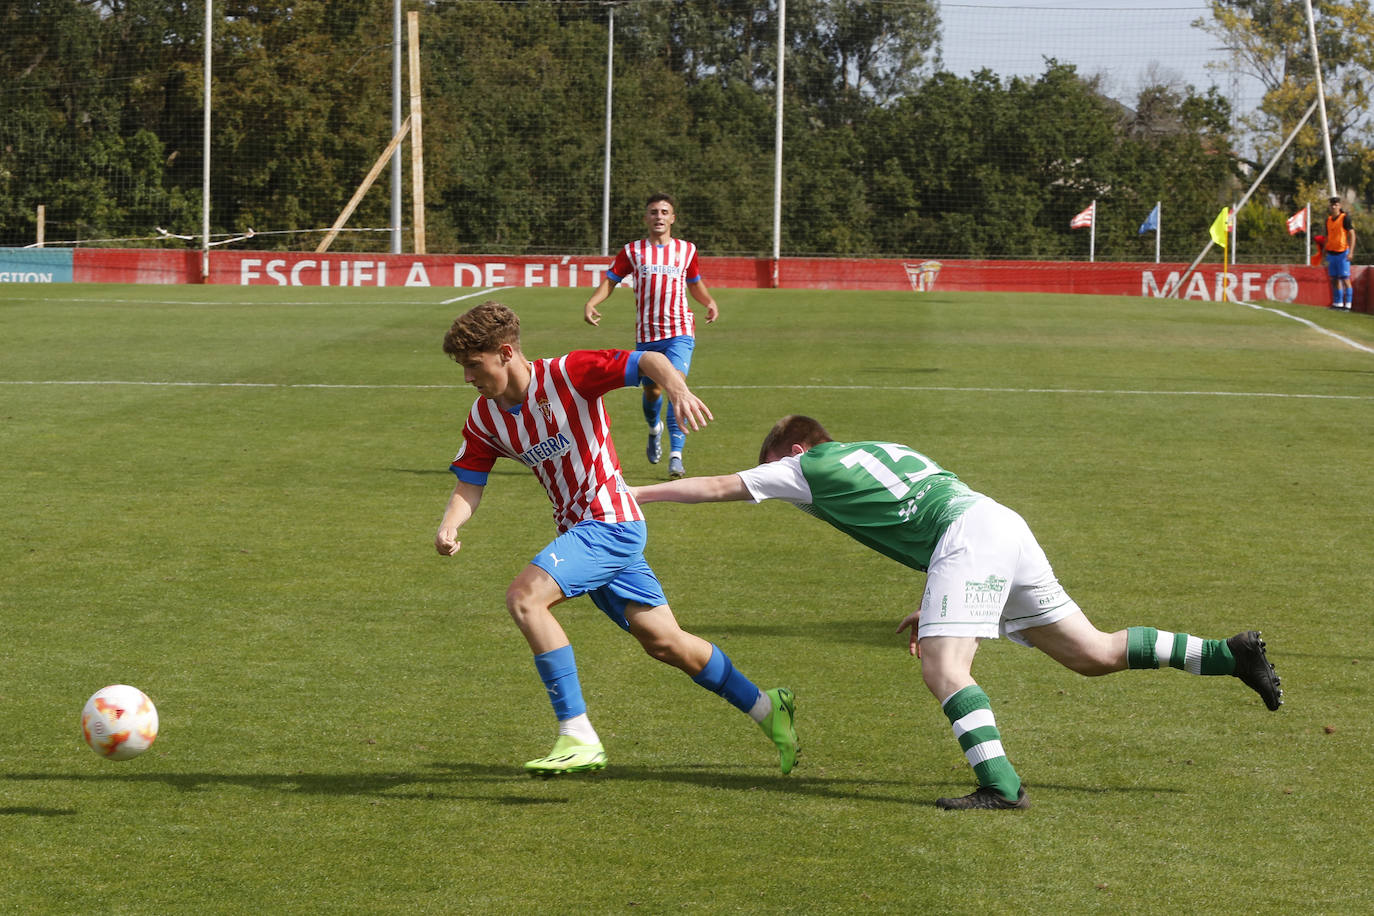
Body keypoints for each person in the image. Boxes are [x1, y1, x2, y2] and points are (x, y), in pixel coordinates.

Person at [631, 415, 1283, 810]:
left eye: (772, 467)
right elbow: (927, 512)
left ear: (794, 452)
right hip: (997, 526)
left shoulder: (806, 466)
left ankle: (1000, 784)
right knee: (1093, 653)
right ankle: (1228, 655)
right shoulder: (877, 450)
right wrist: (936, 600)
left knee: (945, 667)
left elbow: (720, 486)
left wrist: (637, 493)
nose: (773, 482)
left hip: (969, 541)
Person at [435, 302, 797, 778]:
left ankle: (577, 733)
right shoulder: (485, 417)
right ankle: (768, 710)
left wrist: (677, 388)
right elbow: (470, 480)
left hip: (611, 522)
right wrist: (451, 524)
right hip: (581, 532)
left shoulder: (569, 373)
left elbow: (648, 360)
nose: (467, 377)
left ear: (505, 353)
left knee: (525, 599)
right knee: (666, 643)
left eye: (473, 365)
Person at [583, 193, 719, 479]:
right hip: (647, 336)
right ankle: (654, 428)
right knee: (653, 391)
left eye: (664, 211)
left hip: (680, 332)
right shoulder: (633, 251)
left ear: (673, 218)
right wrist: (593, 302)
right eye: (654, 212)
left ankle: (676, 456)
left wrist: (708, 302)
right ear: (646, 218)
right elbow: (611, 280)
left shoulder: (687, 250)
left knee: (676, 387)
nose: (659, 216)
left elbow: (694, 283)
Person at [1323, 197, 1356, 310]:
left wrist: (1350, 252)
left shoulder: (1344, 218)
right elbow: (1327, 237)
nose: (1333, 207)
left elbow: (1352, 234)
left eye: (1336, 205)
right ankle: (1338, 303)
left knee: (1345, 278)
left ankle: (1348, 304)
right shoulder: (1328, 220)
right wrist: (1324, 251)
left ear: (1339, 206)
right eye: (1332, 205)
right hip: (1332, 253)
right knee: (1334, 279)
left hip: (1342, 252)